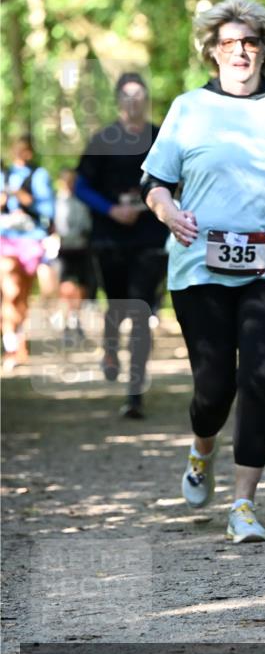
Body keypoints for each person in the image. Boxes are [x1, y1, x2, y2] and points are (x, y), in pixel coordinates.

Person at [141, 0, 265, 544]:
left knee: (258, 381)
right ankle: (203, 447)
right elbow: (153, 182)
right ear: (213, 52)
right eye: (229, 43)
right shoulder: (187, 108)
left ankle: (244, 503)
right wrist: (168, 211)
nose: (241, 51)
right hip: (199, 267)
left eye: (250, 42)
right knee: (213, 388)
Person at [75, 73, 169, 419]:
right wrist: (111, 209)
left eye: (139, 95)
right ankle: (110, 347)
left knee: (141, 313)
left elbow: (180, 182)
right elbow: (80, 187)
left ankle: (135, 392)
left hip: (149, 238)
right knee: (116, 306)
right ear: (118, 101)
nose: (133, 101)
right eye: (127, 96)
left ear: (146, 99)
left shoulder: (161, 138)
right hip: (109, 239)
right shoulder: (103, 139)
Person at [0, 135, 55, 370]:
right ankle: (10, 345)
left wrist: (23, 198)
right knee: (9, 292)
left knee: (22, 296)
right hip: (7, 239)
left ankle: (18, 342)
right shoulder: (5, 174)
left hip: (31, 240)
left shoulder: (39, 175)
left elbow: (47, 210)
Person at [54, 167, 95, 343]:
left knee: (82, 287)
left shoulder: (84, 199)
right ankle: (67, 322)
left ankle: (75, 320)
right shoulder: (56, 201)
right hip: (65, 249)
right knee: (66, 287)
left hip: (83, 248)